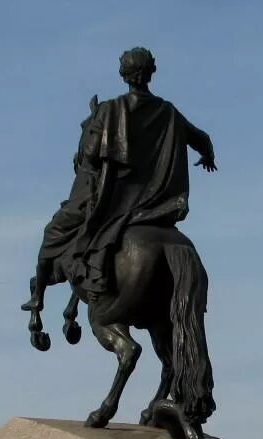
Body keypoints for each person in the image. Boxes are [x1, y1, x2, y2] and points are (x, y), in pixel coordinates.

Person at [22, 46, 216, 312]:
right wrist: (208, 157)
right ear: (152, 72)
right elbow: (203, 140)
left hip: (113, 203)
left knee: (52, 232)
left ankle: (38, 298)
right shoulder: (168, 112)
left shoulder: (110, 110)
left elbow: (90, 154)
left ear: (123, 75)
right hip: (156, 207)